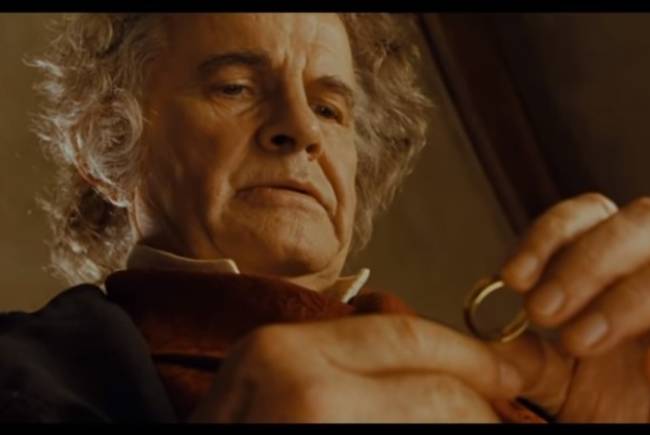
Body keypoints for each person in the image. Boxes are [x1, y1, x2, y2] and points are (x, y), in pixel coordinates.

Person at [1, 12, 648, 423]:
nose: (302, 128)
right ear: (107, 144)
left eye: (330, 109)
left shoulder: (536, 391)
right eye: (235, 87)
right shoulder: (23, 372)